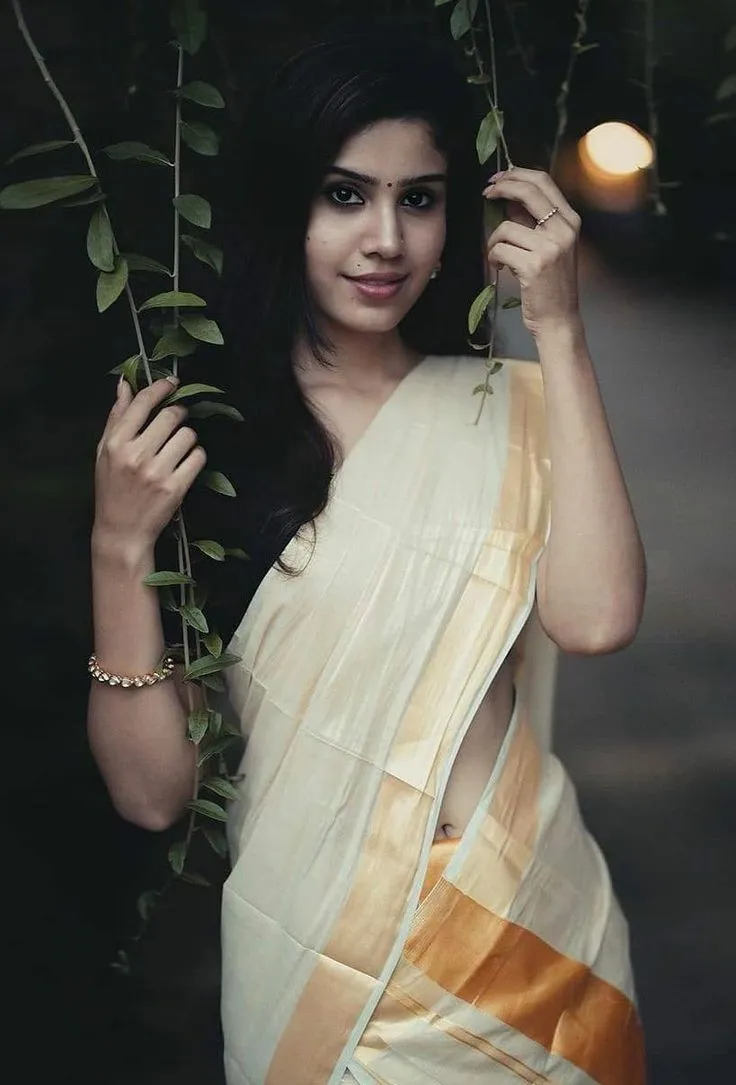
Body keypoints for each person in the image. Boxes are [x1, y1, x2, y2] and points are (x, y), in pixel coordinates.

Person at [88, 18, 648, 1085]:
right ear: (283, 206)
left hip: (532, 950)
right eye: (345, 194)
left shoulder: (510, 409)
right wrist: (121, 547)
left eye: (419, 197)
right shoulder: (207, 447)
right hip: (323, 975)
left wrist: (562, 335)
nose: (384, 238)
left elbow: (597, 616)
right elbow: (155, 792)